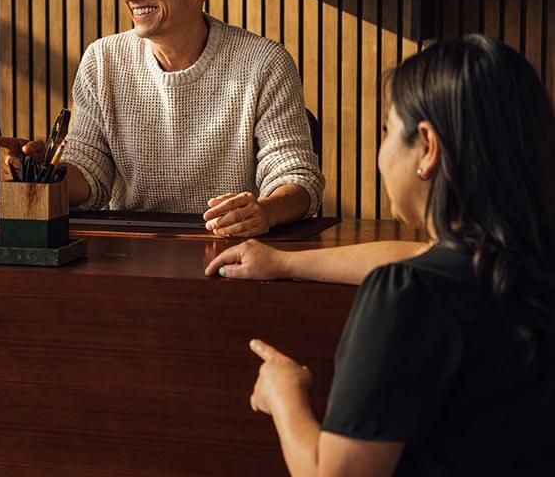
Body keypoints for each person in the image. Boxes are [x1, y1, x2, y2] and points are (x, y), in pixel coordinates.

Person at [232, 37, 555, 476]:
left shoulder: (411, 294)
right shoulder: (513, 261)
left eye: (386, 130)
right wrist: (284, 262)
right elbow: (421, 255)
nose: (382, 155)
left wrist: (284, 394)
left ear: (427, 147)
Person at [0, 0, 323, 237]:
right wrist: (45, 176)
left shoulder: (263, 62)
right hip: (130, 249)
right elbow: (91, 176)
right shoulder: (103, 60)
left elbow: (297, 177)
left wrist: (266, 211)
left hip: (229, 251)